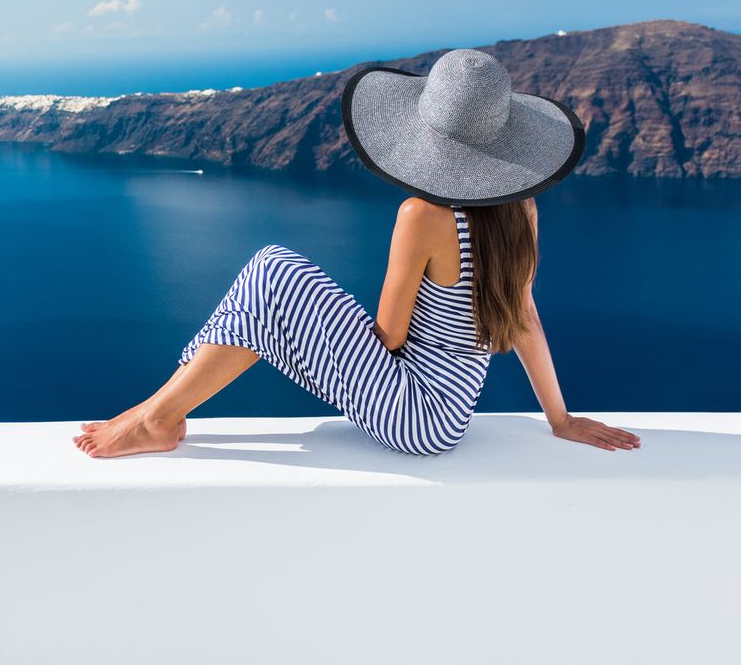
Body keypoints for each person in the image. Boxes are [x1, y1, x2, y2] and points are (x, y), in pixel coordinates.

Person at [75, 48, 641, 458]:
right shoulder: (522, 211)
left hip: (411, 415)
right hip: (451, 417)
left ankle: (158, 417)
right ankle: (157, 410)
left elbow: (390, 338)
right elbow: (523, 316)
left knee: (271, 275)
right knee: (269, 285)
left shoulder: (423, 216)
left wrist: (301, 328)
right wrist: (559, 419)